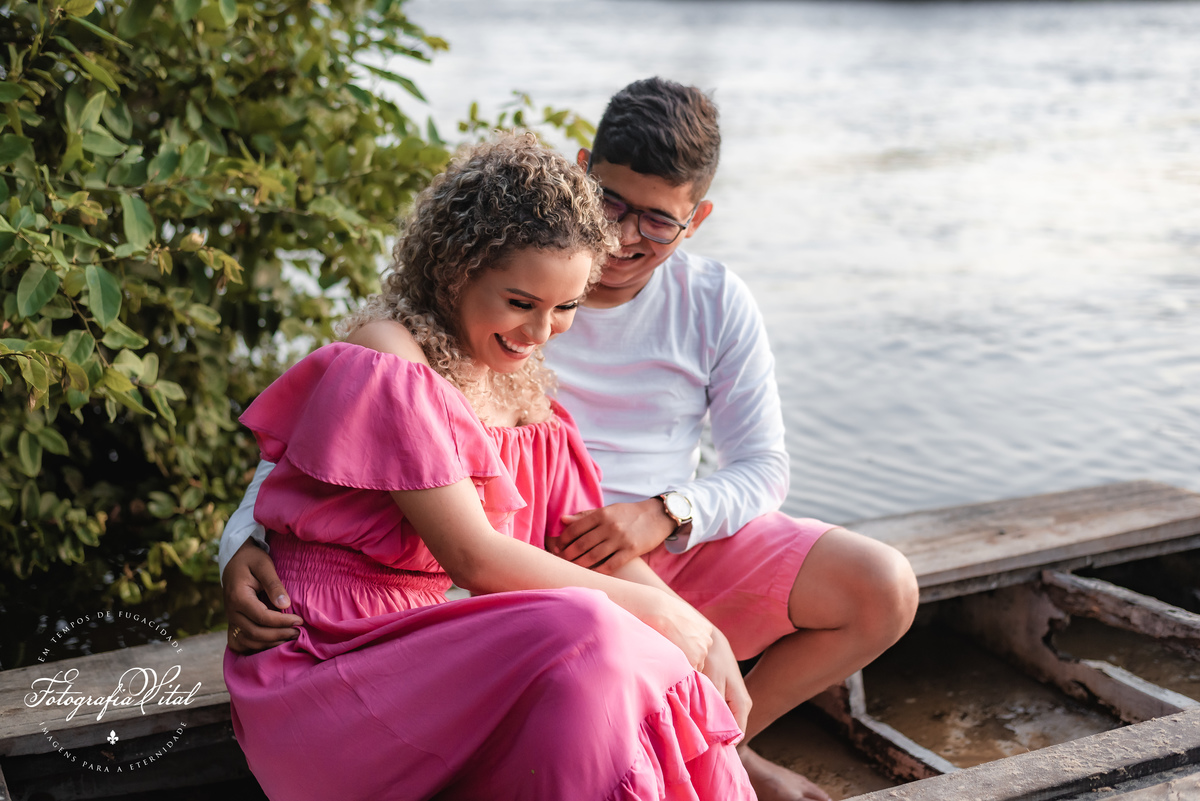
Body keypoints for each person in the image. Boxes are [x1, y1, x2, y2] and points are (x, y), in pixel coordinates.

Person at [223, 79, 920, 801]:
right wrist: (238, 541)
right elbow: (357, 473)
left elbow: (747, 472)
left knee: (651, 646)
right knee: (596, 630)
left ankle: (722, 758)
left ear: (695, 219)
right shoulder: (415, 340)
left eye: (564, 309)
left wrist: (681, 576)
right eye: (612, 205)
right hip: (363, 640)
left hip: (563, 580)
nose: (541, 330)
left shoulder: (541, 391)